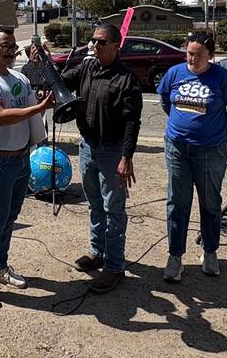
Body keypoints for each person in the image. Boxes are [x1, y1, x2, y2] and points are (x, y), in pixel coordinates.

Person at [0, 27, 53, 307]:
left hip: (20, 159)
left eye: (13, 45)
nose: (10, 50)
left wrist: (39, 129)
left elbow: (31, 116)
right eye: (4, 45)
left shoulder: (18, 77)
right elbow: (1, 116)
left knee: (10, 218)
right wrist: (37, 108)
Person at [57, 24, 142, 294]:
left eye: (102, 42)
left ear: (117, 45)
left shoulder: (125, 79)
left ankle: (115, 267)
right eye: (93, 41)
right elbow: (61, 80)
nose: (96, 46)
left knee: (113, 210)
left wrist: (126, 157)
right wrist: (43, 63)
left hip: (112, 151)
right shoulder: (87, 67)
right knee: (95, 203)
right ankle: (98, 251)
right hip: (87, 147)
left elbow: (132, 122)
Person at [157, 31, 227, 281]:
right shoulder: (175, 73)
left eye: (199, 55)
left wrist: (214, 127)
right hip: (177, 148)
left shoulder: (222, 78)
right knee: (177, 202)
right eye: (189, 53)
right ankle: (175, 256)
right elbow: (165, 101)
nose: (192, 59)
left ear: (211, 56)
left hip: (210, 149)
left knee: (210, 202)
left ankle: (210, 251)